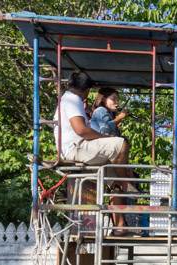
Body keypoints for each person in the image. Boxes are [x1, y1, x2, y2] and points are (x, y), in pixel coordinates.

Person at [54, 72, 135, 234]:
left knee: (113, 179)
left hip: (80, 146)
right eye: (113, 98)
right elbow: (81, 130)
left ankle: (120, 226)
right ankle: (128, 182)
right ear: (86, 90)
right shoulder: (72, 100)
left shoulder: (70, 100)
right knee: (121, 144)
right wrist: (103, 137)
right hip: (76, 148)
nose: (116, 102)